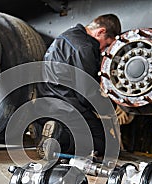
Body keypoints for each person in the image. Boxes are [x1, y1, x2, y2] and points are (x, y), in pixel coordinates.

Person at [30, 14, 122, 159]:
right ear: (101, 32)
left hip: (46, 101)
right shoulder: (85, 46)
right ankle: (59, 139)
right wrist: (109, 106)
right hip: (65, 104)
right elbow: (86, 93)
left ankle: (43, 126)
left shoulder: (66, 36)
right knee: (104, 143)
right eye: (106, 44)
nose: (103, 50)